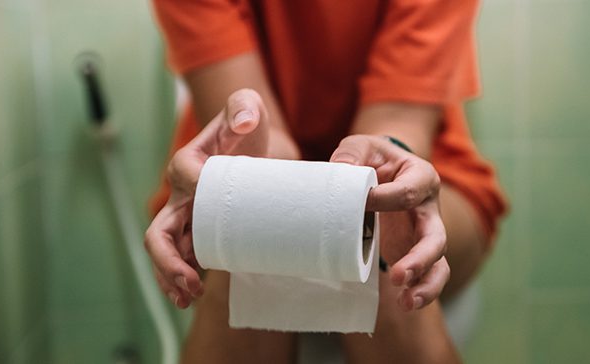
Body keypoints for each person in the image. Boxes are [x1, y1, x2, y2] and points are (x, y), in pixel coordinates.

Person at [144, 1, 507, 363]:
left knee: (382, 239)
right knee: (251, 232)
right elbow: (254, 138)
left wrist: (371, 189)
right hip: (248, 160)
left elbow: (395, 127)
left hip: (423, 171)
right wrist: (270, 199)